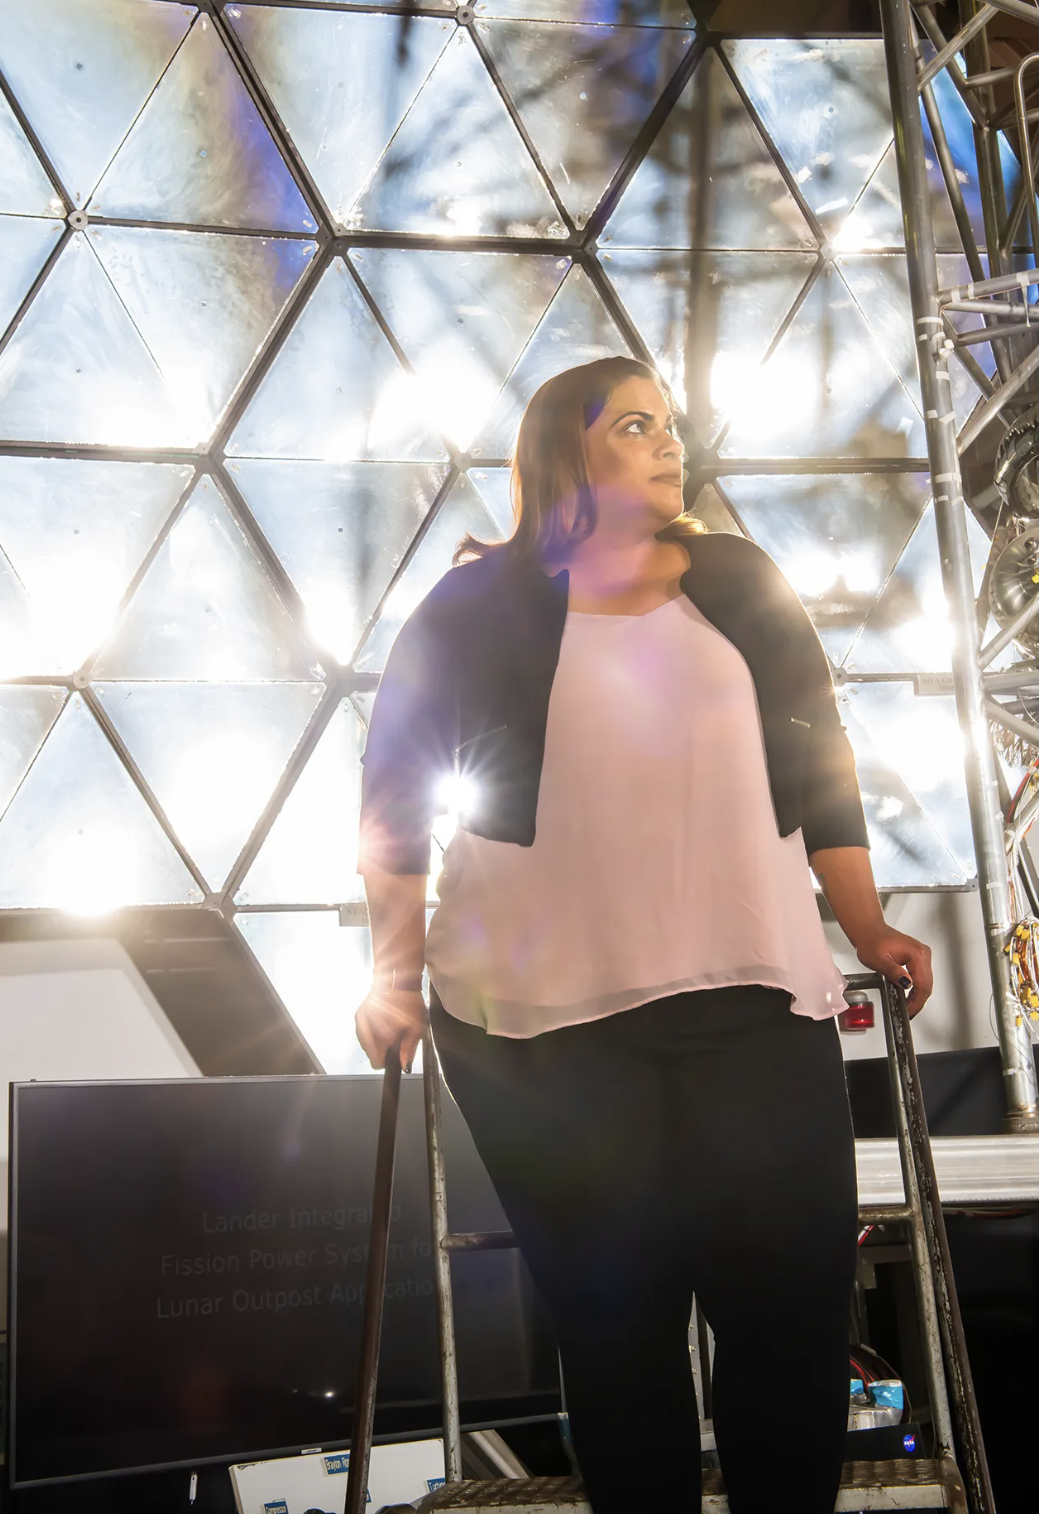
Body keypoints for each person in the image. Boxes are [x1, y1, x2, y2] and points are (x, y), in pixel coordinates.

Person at [354, 356, 933, 1514]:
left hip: (752, 1000)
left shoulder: (738, 578)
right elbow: (394, 791)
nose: (669, 443)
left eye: (668, 424)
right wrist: (393, 972)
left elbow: (823, 760)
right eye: (635, 425)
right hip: (541, 1033)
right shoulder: (472, 605)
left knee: (785, 1318)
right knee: (617, 1336)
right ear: (568, 451)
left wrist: (864, 921)